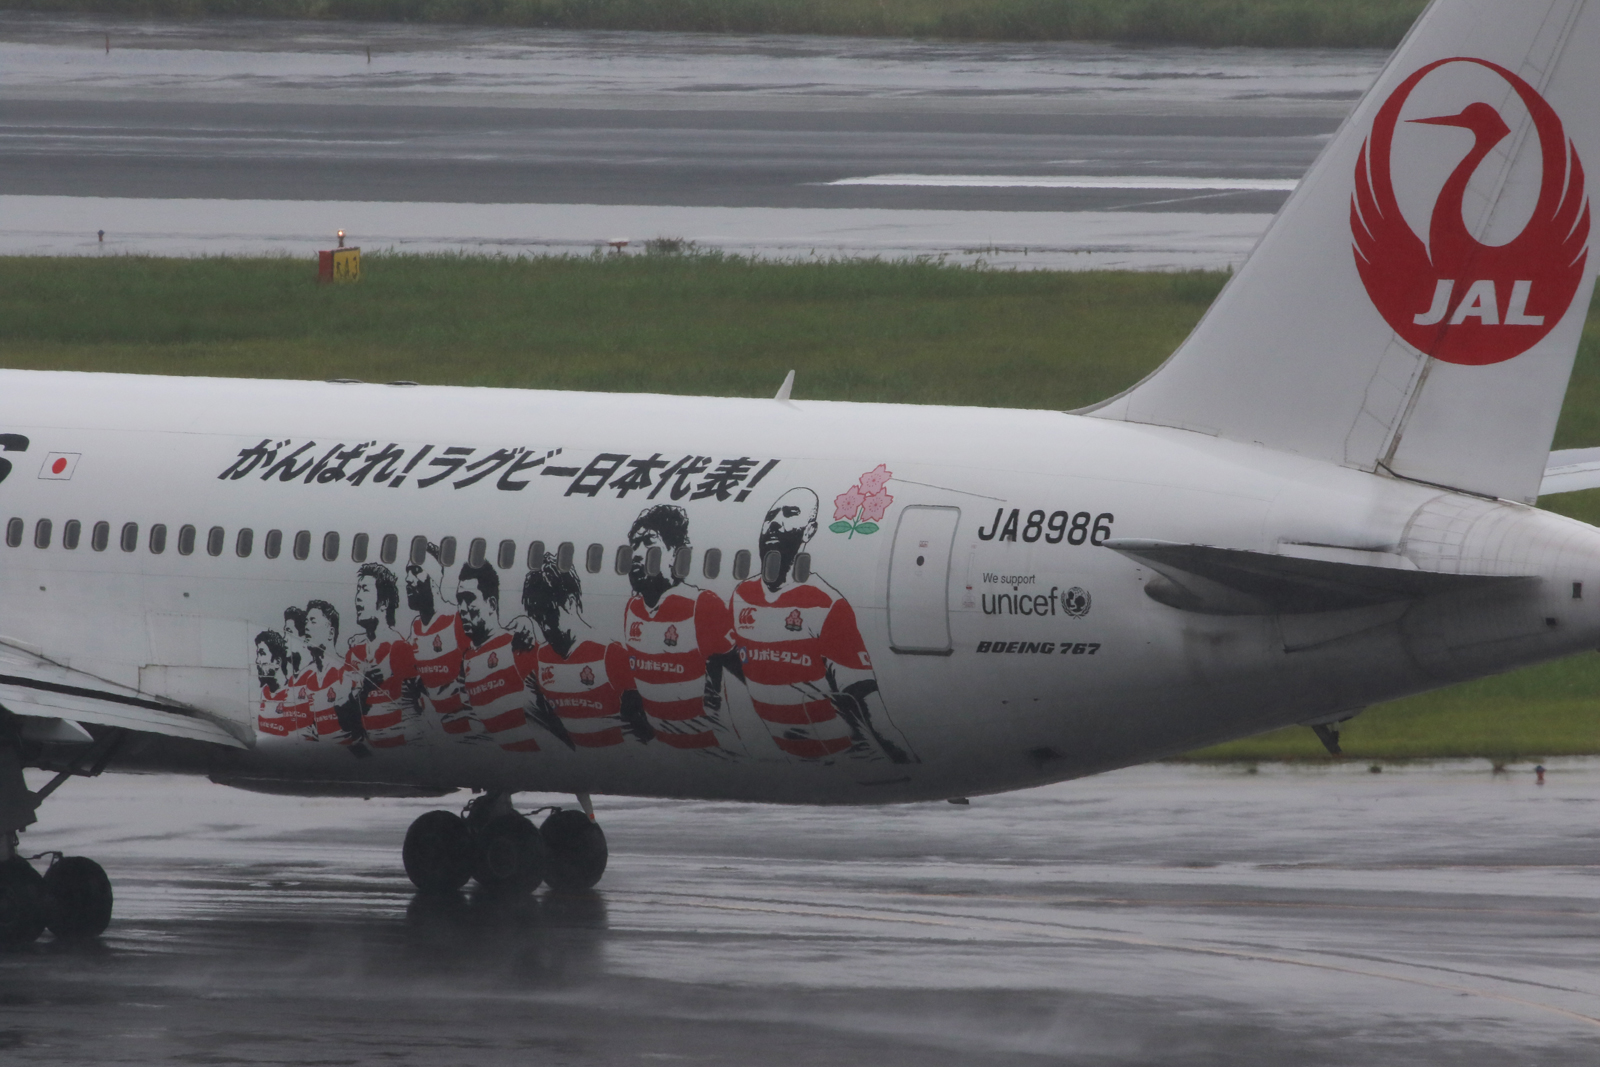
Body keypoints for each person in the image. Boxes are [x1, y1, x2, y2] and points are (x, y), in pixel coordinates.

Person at [730, 487, 916, 764]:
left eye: (790, 514)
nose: (775, 522)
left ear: (808, 531)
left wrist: (897, 752)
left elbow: (861, 691)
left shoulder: (826, 603)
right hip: (780, 752)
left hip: (839, 753)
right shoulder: (741, 595)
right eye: (770, 515)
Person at [621, 504, 742, 754]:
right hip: (661, 749)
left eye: (647, 543)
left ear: (675, 553)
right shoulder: (632, 608)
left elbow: (745, 675)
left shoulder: (700, 605)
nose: (637, 553)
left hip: (711, 748)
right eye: (634, 545)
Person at [522, 552, 636, 749]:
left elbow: (643, 729)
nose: (543, 627)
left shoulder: (610, 654)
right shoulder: (541, 657)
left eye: (547, 615)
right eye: (537, 617)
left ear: (570, 602)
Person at [456, 560, 549, 753]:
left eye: (469, 599)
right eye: (459, 600)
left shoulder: (519, 644)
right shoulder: (467, 662)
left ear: (491, 604)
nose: (462, 609)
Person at [405, 541, 478, 739]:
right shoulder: (415, 628)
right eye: (407, 572)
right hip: (442, 735)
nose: (408, 579)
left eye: (416, 571)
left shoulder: (457, 620)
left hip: (473, 733)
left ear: (435, 577)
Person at [346, 562, 420, 750]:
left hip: (405, 750)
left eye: (365, 590)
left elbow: (420, 706)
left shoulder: (400, 648)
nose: (357, 598)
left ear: (384, 603)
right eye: (358, 590)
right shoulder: (354, 653)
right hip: (374, 751)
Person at [301, 598, 369, 755]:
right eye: (306, 622)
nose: (306, 627)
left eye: (313, 621)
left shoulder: (348, 673)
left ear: (331, 632)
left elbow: (363, 731)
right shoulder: (306, 678)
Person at [253, 629, 293, 738]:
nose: (257, 661)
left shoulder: (293, 694)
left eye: (262, 654)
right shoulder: (265, 692)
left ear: (277, 662)